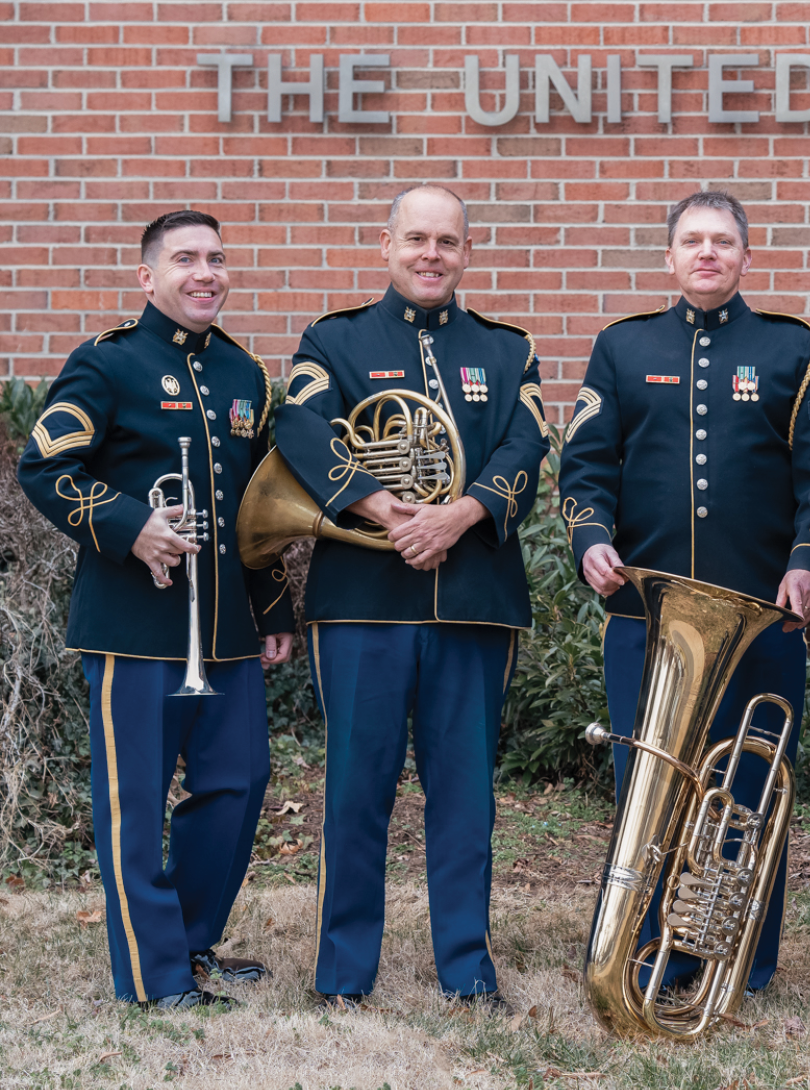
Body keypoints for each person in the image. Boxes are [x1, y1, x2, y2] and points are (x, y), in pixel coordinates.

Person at [272, 184, 549, 1010]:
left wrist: (462, 513)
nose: (432, 255)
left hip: (472, 597)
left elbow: (527, 442)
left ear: (467, 252)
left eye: (448, 242)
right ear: (385, 244)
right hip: (361, 598)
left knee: (465, 795)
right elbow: (301, 429)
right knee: (356, 788)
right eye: (417, 239)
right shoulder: (335, 338)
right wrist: (388, 509)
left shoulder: (507, 349)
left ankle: (467, 970)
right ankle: (343, 977)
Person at [17, 209, 295, 1009]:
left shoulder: (247, 374)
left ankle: (193, 941)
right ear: (148, 277)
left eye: (215, 257)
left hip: (228, 630)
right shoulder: (106, 364)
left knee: (239, 786)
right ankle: (153, 977)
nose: (205, 272)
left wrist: (274, 606)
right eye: (185, 259)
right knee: (134, 804)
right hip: (134, 628)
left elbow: (258, 508)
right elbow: (46, 466)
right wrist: (130, 522)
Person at [557, 189, 810, 993]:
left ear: (746, 256)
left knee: (748, 787)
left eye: (722, 242)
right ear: (668, 257)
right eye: (691, 241)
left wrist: (809, 559)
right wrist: (589, 539)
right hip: (645, 621)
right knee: (648, 790)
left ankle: (741, 959)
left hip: (763, 618)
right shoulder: (620, 345)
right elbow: (584, 468)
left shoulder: (792, 348)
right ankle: (642, 945)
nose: (706, 253)